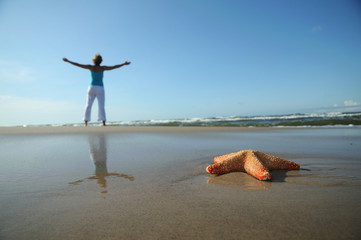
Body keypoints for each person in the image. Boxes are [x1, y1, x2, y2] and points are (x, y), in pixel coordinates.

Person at [63, 54, 130, 126]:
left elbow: (78, 65)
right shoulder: (103, 68)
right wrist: (123, 64)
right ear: (101, 61)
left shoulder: (90, 67)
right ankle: (103, 122)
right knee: (101, 105)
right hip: (100, 88)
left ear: (93, 60)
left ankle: (86, 122)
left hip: (91, 87)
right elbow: (114, 67)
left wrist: (68, 61)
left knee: (88, 105)